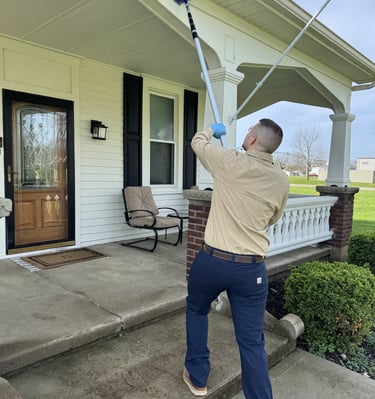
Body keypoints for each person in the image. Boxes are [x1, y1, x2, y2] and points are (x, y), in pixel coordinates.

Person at [182, 119, 289, 398]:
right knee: (252, 342)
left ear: (252, 139)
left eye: (249, 131)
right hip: (251, 270)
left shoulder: (229, 161)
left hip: (212, 261)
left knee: (196, 309)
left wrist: (210, 131)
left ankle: (198, 378)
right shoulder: (281, 180)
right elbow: (273, 218)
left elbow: (197, 142)